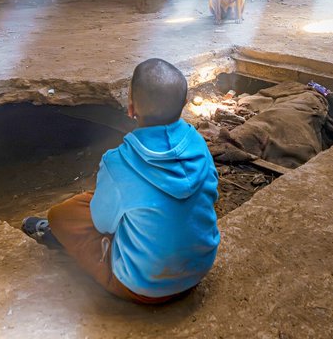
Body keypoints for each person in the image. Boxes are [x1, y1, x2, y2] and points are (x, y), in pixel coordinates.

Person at [21, 58, 220, 303]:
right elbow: (211, 194)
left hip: (145, 287)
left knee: (60, 216)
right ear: (185, 104)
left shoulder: (117, 162)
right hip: (199, 269)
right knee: (111, 205)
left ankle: (58, 237)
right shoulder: (198, 143)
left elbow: (103, 225)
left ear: (131, 108)